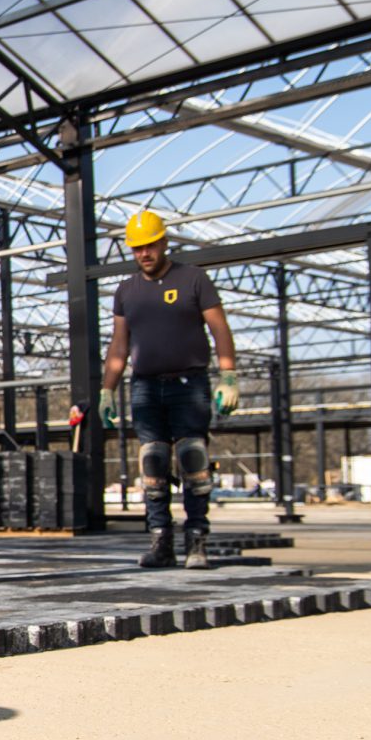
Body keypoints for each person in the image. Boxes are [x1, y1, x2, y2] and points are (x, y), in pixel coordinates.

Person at [98, 210, 239, 570]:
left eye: (150, 246)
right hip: (145, 385)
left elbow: (219, 329)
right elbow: (119, 344)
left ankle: (197, 540)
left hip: (189, 383)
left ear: (164, 242)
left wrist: (228, 377)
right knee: (153, 463)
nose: (144, 253)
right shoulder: (127, 291)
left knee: (194, 459)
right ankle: (161, 540)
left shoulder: (194, 279)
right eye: (137, 248)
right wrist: (107, 390)